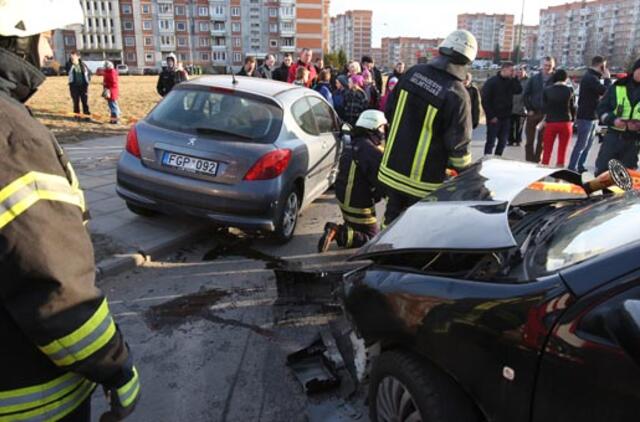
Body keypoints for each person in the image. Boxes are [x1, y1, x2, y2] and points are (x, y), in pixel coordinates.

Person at [0, 1, 140, 421]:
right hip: (29, 394)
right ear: (15, 36)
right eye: (43, 38)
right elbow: (53, 284)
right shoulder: (12, 138)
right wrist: (116, 366)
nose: (47, 54)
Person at [378, 30, 477, 226]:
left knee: (391, 221)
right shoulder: (457, 94)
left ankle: (382, 254)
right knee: (416, 229)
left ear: (441, 50)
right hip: (422, 181)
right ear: (466, 61)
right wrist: (468, 173)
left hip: (391, 168)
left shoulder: (413, 73)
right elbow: (459, 148)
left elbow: (389, 111)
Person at [318, 110, 387, 252]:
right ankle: (339, 233)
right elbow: (380, 181)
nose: (383, 131)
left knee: (358, 227)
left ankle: (348, 228)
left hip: (345, 198)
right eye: (381, 127)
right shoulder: (370, 150)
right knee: (371, 238)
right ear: (373, 127)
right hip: (358, 203)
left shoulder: (355, 142)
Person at [593, 58, 640, 175]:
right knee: (603, 174)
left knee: (627, 178)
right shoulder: (618, 86)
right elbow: (601, 109)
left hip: (633, 142)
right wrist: (613, 120)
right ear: (635, 70)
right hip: (613, 137)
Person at [568, 56, 612, 172]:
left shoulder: (593, 77)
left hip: (592, 116)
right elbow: (606, 91)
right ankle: (572, 167)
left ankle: (580, 165)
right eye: (604, 66)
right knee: (582, 144)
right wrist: (607, 79)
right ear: (600, 65)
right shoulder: (590, 78)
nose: (605, 69)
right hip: (586, 116)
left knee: (588, 145)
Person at [481, 61, 524, 156]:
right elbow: (485, 100)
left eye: (513, 70)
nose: (513, 72)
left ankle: (497, 159)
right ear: (504, 69)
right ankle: (487, 160)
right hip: (494, 117)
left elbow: (518, 90)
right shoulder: (492, 81)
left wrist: (515, 78)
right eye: (511, 70)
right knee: (490, 142)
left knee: (503, 142)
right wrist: (491, 116)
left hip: (506, 117)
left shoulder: (511, 81)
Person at [540, 69, 576, 167]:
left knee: (547, 149)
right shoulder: (570, 90)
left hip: (551, 122)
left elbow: (543, 108)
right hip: (565, 122)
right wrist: (573, 120)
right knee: (562, 150)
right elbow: (572, 107)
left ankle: (544, 168)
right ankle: (558, 175)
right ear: (566, 78)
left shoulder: (547, 90)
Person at [523, 56, 555, 162]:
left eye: (549, 65)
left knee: (542, 141)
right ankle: (529, 161)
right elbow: (525, 94)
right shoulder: (534, 78)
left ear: (553, 66)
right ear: (541, 65)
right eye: (545, 65)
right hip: (533, 113)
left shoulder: (555, 79)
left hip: (546, 115)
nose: (547, 67)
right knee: (529, 141)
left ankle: (537, 161)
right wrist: (529, 109)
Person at [66, 49, 91, 120]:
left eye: (74, 55)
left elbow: (88, 73)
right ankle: (77, 116)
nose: (72, 57)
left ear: (78, 56)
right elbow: (68, 69)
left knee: (85, 102)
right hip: (74, 86)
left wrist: (87, 82)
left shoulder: (83, 64)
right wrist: (73, 63)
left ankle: (87, 116)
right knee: (76, 102)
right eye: (71, 55)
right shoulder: (69, 64)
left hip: (83, 86)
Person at [509, 66, 529, 146]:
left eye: (521, 70)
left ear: (525, 71)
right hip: (511, 106)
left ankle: (518, 140)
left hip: (522, 107)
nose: (519, 72)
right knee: (510, 125)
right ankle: (510, 140)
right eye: (517, 70)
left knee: (519, 126)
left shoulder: (528, 81)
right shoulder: (512, 81)